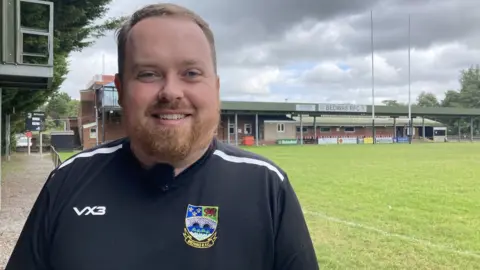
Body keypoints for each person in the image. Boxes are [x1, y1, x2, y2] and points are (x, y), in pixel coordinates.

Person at [5, 3, 318, 270]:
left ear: (216, 88)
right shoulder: (67, 181)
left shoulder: (266, 186)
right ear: (122, 89)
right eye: (148, 74)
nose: (171, 91)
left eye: (191, 73)